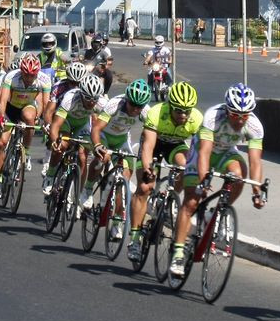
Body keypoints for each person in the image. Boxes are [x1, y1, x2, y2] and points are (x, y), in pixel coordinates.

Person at [170, 83, 266, 277]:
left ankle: (217, 210)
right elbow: (204, 153)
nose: (240, 120)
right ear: (227, 110)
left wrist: (257, 191)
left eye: (244, 115)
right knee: (191, 201)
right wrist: (204, 179)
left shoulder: (255, 126)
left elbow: (255, 162)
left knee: (240, 175)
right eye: (235, 115)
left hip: (225, 152)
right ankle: (178, 252)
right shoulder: (213, 116)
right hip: (201, 153)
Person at [126, 82, 203, 262]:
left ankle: (171, 197)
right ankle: (135, 239)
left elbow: (200, 151)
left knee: (187, 166)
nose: (183, 115)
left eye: (187, 111)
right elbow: (148, 146)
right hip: (154, 145)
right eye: (178, 111)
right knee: (145, 187)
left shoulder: (197, 119)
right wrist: (147, 168)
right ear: (170, 106)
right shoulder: (157, 112)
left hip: (175, 146)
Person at [83, 80, 152, 220]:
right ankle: (88, 189)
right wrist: (97, 146)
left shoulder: (146, 111)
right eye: (132, 104)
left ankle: (117, 220)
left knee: (124, 178)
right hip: (104, 136)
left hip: (121, 139)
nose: (135, 110)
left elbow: (151, 135)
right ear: (127, 100)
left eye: (139, 106)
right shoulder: (115, 104)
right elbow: (96, 128)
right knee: (102, 158)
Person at [0, 54, 52, 198]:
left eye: (32, 75)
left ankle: (27, 152)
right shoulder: (11, 77)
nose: (29, 78)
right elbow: (3, 100)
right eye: (26, 74)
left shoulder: (44, 79)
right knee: (1, 143)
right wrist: (1, 118)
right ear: (21, 71)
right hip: (10, 109)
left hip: (28, 106)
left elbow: (46, 103)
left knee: (30, 119)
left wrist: (44, 121)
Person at [43, 74, 108, 197]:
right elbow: (56, 125)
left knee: (83, 158)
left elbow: (106, 126)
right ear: (81, 93)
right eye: (88, 98)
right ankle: (50, 175)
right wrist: (54, 142)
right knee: (62, 145)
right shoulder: (70, 98)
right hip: (66, 121)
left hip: (82, 125)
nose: (91, 102)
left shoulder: (102, 103)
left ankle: (76, 197)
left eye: (94, 99)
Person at [41, 62, 90, 175]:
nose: (75, 87)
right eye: (72, 83)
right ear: (67, 79)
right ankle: (49, 163)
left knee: (82, 154)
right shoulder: (59, 87)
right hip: (61, 117)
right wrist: (48, 125)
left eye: (78, 83)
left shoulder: (86, 90)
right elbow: (49, 111)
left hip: (79, 119)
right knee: (59, 142)